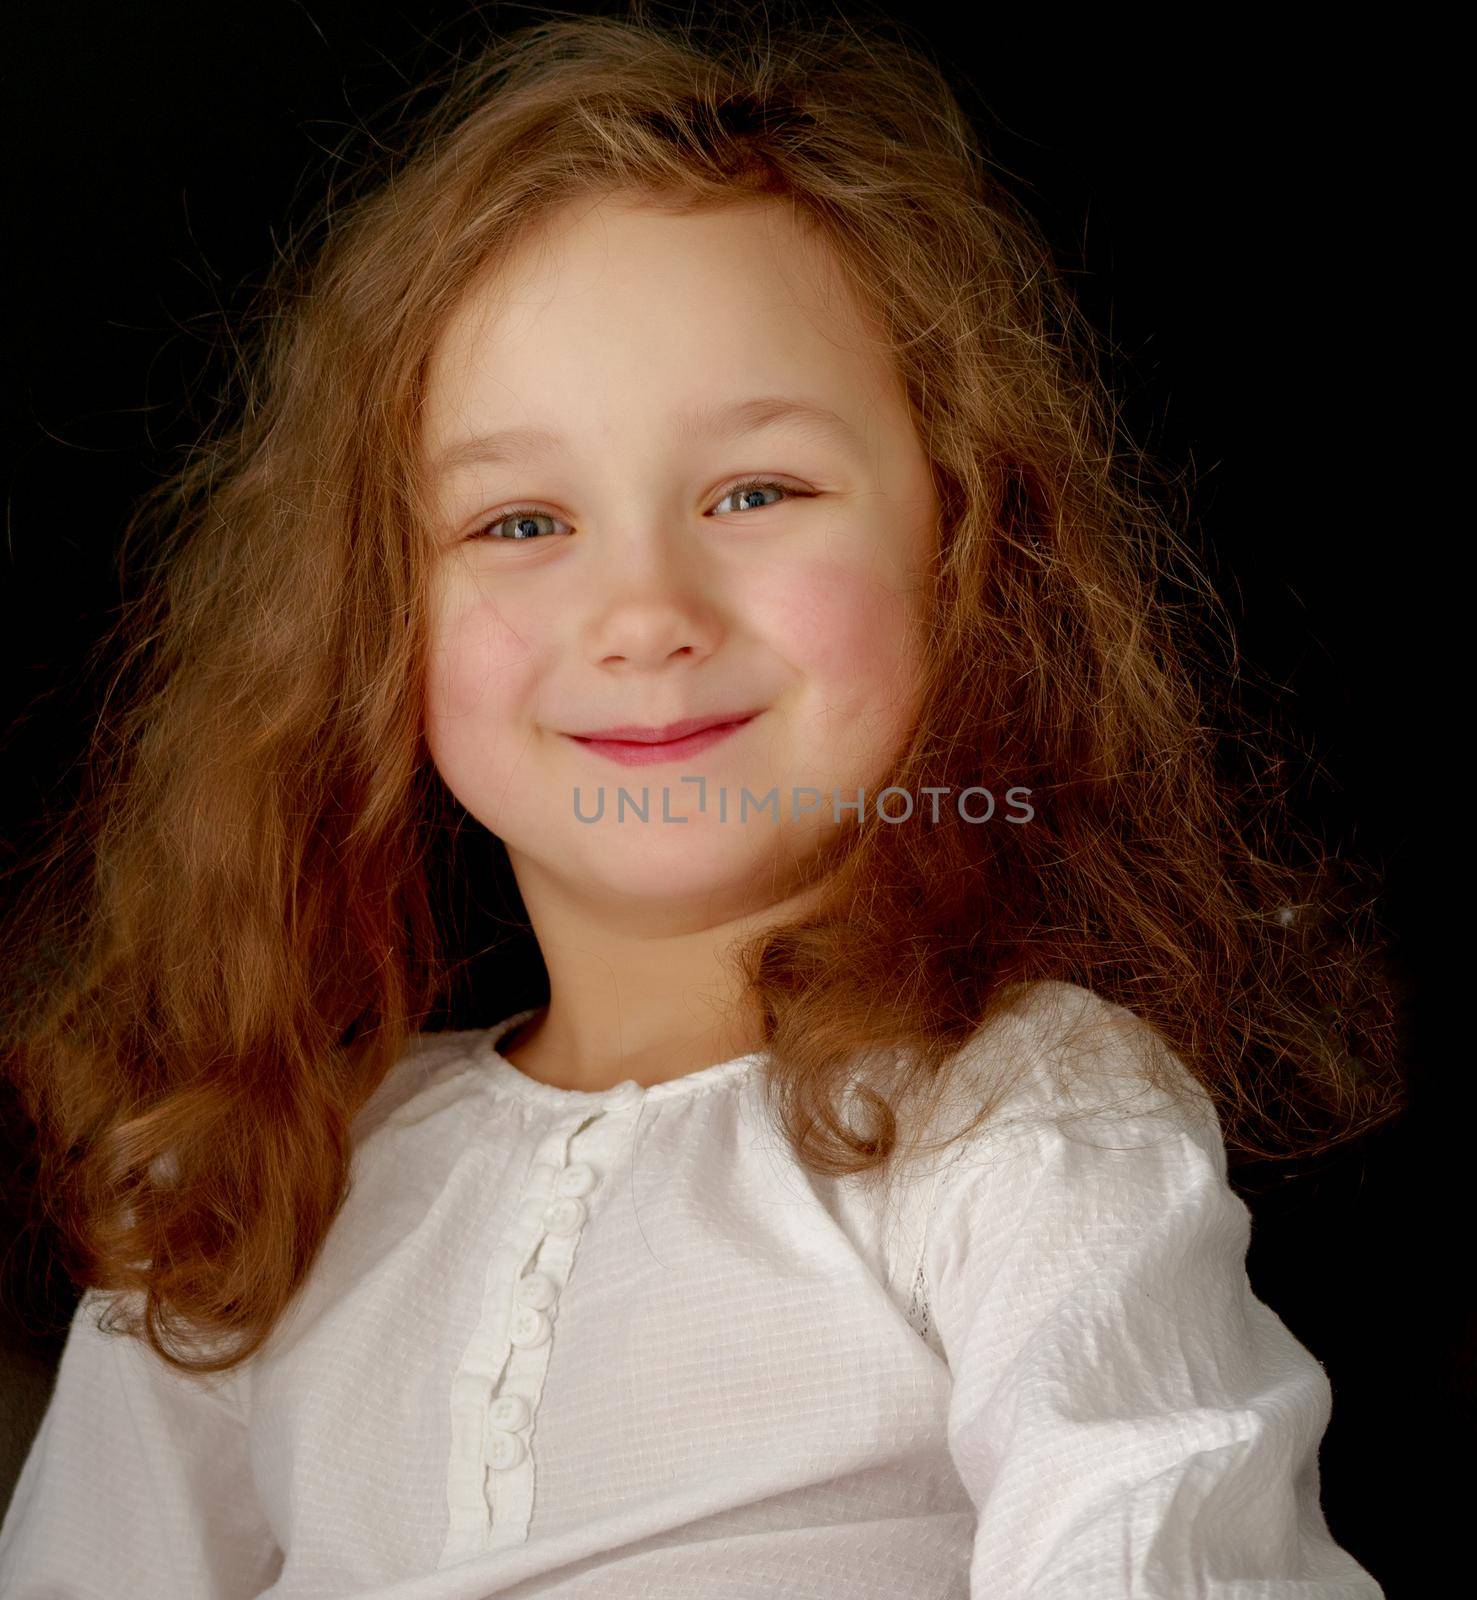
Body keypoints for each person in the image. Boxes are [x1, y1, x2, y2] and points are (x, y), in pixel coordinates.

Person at [0, 7, 1404, 1596]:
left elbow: (1158, 1549)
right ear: (366, 619)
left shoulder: (1017, 1122)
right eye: (522, 520)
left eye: (756, 493)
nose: (646, 607)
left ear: (964, 551)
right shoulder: (265, 1180)